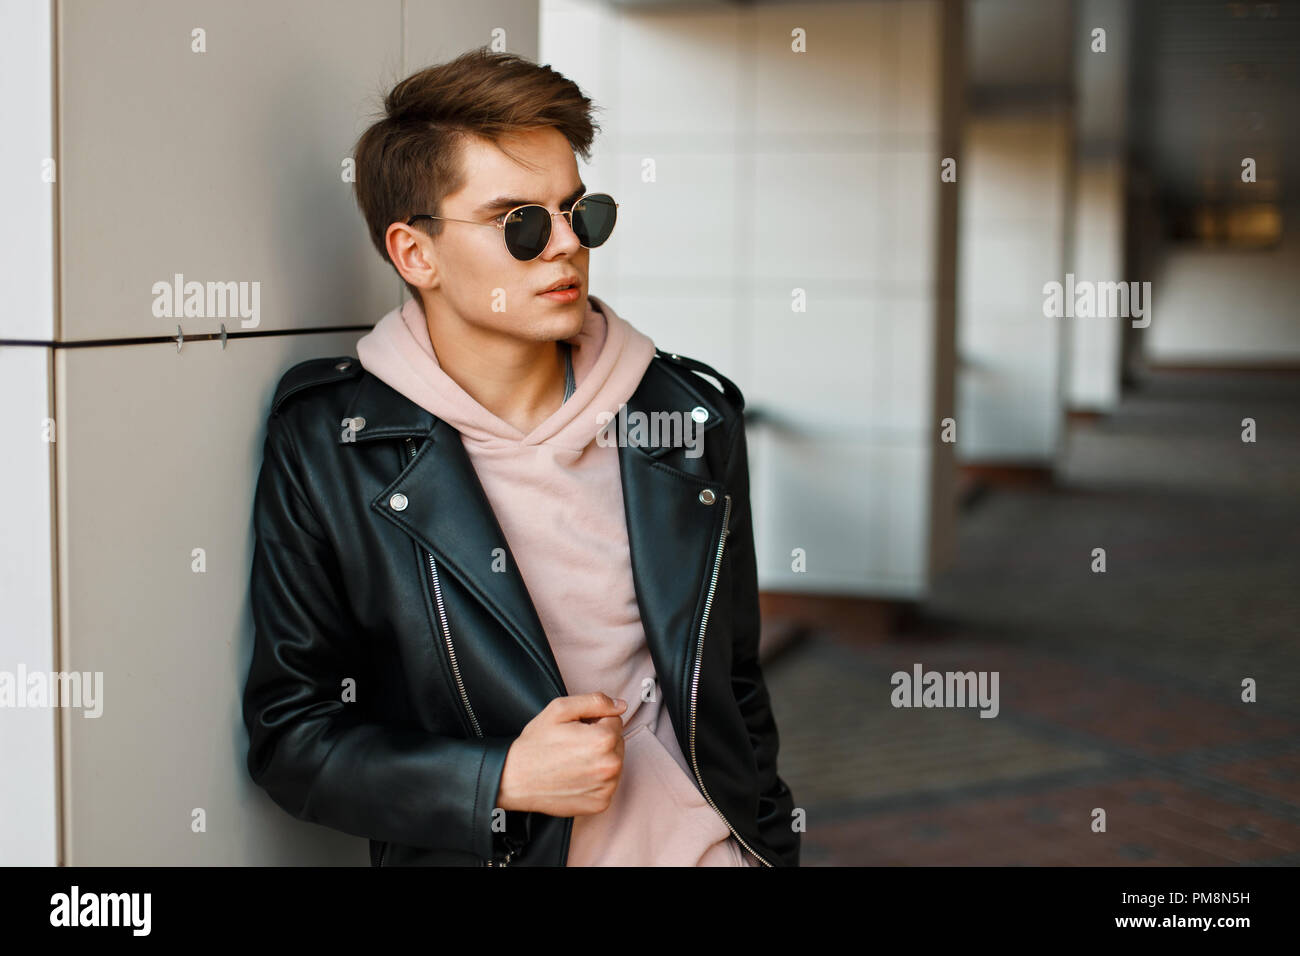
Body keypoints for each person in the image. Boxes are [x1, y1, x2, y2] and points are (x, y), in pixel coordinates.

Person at [242, 46, 799, 867]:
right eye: (520, 224)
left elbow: (734, 685)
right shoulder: (334, 445)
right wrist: (496, 777)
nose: (565, 246)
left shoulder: (686, 418)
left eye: (581, 212)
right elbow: (292, 736)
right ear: (414, 254)